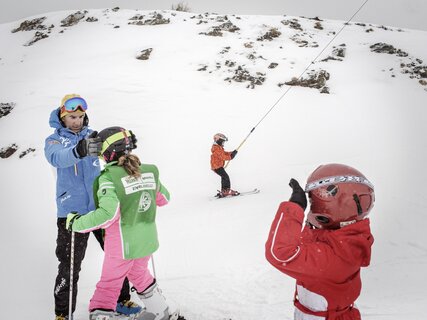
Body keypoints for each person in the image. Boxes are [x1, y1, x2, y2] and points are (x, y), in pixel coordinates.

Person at [65, 126, 180, 320]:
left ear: (108, 153)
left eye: (101, 153)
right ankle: (162, 311)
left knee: (110, 283)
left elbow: (106, 215)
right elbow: (164, 199)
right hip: (146, 241)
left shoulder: (109, 179)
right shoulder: (149, 172)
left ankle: (102, 315)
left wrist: (76, 222)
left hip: (122, 245)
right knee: (139, 274)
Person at [45, 95, 141, 320]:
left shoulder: (93, 137)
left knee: (117, 256)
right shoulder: (54, 141)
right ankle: (63, 314)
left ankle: (121, 300)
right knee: (70, 266)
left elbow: (113, 154)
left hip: (102, 210)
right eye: (71, 117)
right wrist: (79, 150)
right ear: (62, 116)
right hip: (72, 213)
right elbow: (57, 159)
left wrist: (125, 144)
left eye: (79, 116)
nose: (76, 121)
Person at [265, 163, 375, 319]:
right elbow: (306, 243)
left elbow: (280, 253)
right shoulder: (344, 240)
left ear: (341, 204)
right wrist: (311, 221)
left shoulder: (333, 257)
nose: (312, 206)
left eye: (315, 201)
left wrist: (294, 208)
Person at [210, 133, 239, 197]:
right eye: (223, 142)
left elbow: (224, 153)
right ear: (219, 140)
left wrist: (232, 153)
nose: (223, 143)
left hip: (218, 166)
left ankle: (224, 190)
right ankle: (227, 190)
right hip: (217, 166)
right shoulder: (216, 149)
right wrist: (231, 157)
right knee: (226, 177)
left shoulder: (219, 148)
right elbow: (222, 156)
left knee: (224, 177)